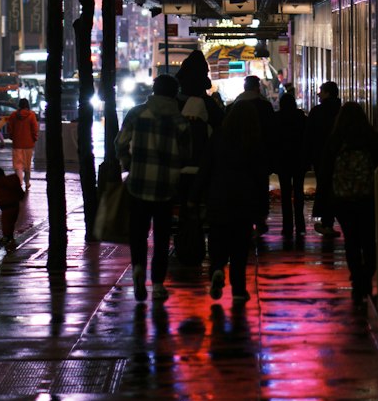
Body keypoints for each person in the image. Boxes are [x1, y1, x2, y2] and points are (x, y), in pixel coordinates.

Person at [115, 73, 189, 303]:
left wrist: (129, 163)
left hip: (138, 183)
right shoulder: (180, 122)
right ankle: (157, 283)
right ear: (174, 93)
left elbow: (120, 143)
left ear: (154, 90)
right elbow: (186, 155)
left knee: (138, 232)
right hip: (166, 187)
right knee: (161, 236)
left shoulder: (137, 113)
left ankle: (138, 268)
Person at [198, 98, 269, 303]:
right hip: (244, 201)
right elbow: (260, 177)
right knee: (240, 247)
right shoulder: (254, 141)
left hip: (218, 197)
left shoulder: (218, 137)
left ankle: (217, 269)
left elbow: (205, 168)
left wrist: (195, 197)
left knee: (218, 239)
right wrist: (261, 209)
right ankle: (238, 289)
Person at [324, 100, 378, 304]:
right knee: (370, 240)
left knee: (351, 240)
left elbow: (326, 170)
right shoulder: (372, 138)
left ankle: (357, 278)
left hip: (343, 199)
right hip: (369, 197)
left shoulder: (336, 139)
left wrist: (327, 201)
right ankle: (366, 276)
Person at [233, 74, 277, 233]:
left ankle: (244, 217)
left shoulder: (234, 106)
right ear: (257, 87)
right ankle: (259, 218)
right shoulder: (264, 106)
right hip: (260, 154)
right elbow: (272, 132)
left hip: (239, 156)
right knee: (260, 187)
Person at [303, 80, 342, 237]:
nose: (319, 94)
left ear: (327, 93)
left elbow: (309, 137)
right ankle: (334, 221)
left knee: (325, 188)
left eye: (321, 91)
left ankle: (327, 222)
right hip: (340, 157)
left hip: (321, 157)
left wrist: (307, 159)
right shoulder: (341, 111)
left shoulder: (317, 112)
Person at [274, 89, 307, 242]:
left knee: (286, 194)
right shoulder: (300, 117)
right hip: (299, 159)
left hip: (283, 160)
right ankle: (301, 225)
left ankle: (287, 226)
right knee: (299, 192)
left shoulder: (277, 118)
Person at [5, 98, 40, 190]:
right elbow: (35, 129)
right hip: (28, 144)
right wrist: (34, 138)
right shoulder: (31, 115)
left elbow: (9, 128)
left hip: (17, 143)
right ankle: (27, 183)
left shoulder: (13, 115)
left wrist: (12, 137)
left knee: (18, 165)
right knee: (27, 165)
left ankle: (19, 182)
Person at [0, 165, 26, 251]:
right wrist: (21, 197)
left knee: (6, 224)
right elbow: (20, 192)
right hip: (15, 205)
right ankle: (10, 238)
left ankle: (7, 240)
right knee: (11, 223)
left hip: (6, 207)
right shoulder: (12, 180)